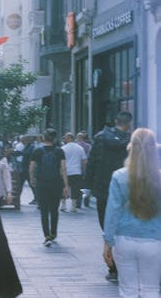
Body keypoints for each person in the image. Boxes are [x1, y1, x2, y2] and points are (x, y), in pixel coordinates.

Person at [103, 128, 161, 298]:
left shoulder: (119, 176)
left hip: (124, 240)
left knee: (127, 291)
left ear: (131, 147)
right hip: (154, 240)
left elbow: (112, 212)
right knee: (151, 289)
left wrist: (108, 241)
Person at [86, 111, 132, 282]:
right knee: (123, 225)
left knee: (107, 226)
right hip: (125, 188)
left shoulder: (99, 138)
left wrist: (88, 185)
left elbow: (91, 162)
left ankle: (113, 267)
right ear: (128, 124)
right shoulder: (131, 141)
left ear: (115, 121)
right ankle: (123, 264)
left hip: (102, 188)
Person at [29, 128, 68, 247]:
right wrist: (65, 185)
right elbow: (63, 169)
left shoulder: (37, 151)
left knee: (44, 211)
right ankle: (53, 233)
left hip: (42, 183)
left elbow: (31, 167)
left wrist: (32, 179)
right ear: (54, 138)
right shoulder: (59, 151)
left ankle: (46, 235)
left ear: (43, 138)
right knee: (54, 210)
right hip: (56, 183)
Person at [61, 132, 87, 212]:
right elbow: (84, 161)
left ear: (69, 138)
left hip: (66, 171)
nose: (64, 139)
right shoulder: (80, 148)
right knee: (75, 188)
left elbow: (60, 161)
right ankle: (73, 206)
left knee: (64, 187)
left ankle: (63, 205)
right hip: (76, 171)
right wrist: (83, 170)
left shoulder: (63, 148)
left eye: (65, 138)